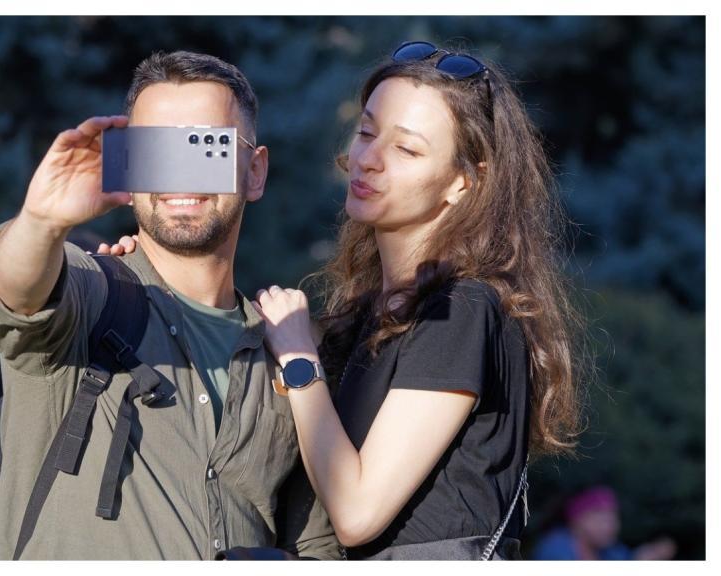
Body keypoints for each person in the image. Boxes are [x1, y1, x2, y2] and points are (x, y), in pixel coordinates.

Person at [104, 42, 585, 560]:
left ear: (464, 182)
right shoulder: (370, 317)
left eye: (407, 150)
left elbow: (356, 514)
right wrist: (145, 260)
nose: (369, 159)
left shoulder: (461, 308)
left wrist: (300, 361)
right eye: (367, 132)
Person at [0, 50, 339, 560]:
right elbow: (13, 298)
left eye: (206, 147)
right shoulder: (91, 294)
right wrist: (41, 221)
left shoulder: (286, 350)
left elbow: (314, 544)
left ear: (255, 172)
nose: (179, 176)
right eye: (156, 152)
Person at [532, 486, 677, 560]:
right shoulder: (555, 548)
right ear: (576, 520)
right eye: (601, 519)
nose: (611, 525)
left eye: (613, 518)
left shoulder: (614, 551)